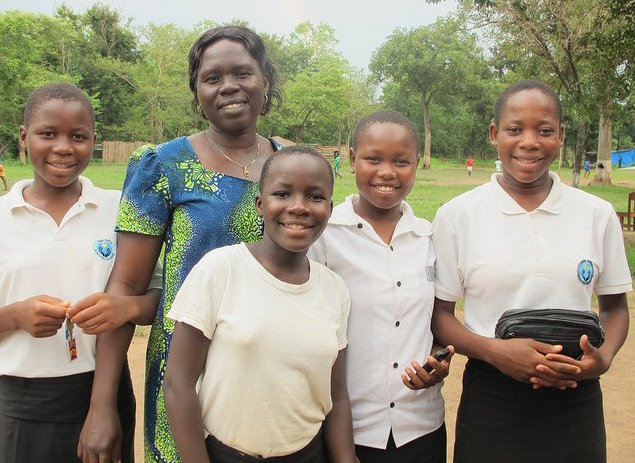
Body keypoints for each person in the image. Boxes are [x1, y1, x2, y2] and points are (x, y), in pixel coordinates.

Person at [79, 25, 283, 463]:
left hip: (272, 374)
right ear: (197, 92)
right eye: (212, 77)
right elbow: (126, 285)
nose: (229, 86)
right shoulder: (162, 165)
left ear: (265, 80)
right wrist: (102, 406)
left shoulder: (292, 165)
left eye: (243, 73)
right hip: (183, 378)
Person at [431, 80, 631, 463]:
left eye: (544, 130)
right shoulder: (458, 216)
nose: (529, 142)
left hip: (576, 390)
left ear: (561, 135)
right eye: (514, 129)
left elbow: (616, 308)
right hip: (493, 395)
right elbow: (441, 316)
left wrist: (601, 360)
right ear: (494, 134)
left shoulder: (595, 214)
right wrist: (496, 351)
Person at [163, 145, 356, 463]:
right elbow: (177, 383)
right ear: (259, 204)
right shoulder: (221, 269)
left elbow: (337, 396)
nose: (299, 207)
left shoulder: (334, 289)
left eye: (315, 197)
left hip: (309, 453)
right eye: (282, 194)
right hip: (227, 454)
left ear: (329, 209)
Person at [0, 82, 161, 463]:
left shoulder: (120, 210)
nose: (63, 148)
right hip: (19, 402)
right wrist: (15, 316)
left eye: (78, 136)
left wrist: (128, 309)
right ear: (24, 137)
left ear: (93, 141)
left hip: (101, 393)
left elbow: (160, 296)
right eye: (47, 134)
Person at [310, 110, 454, 463]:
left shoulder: (429, 237)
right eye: (373, 159)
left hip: (420, 428)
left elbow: (435, 322)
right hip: (346, 429)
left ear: (417, 163)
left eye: (401, 161)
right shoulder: (324, 237)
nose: (387, 172)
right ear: (352, 159)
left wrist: (439, 359)